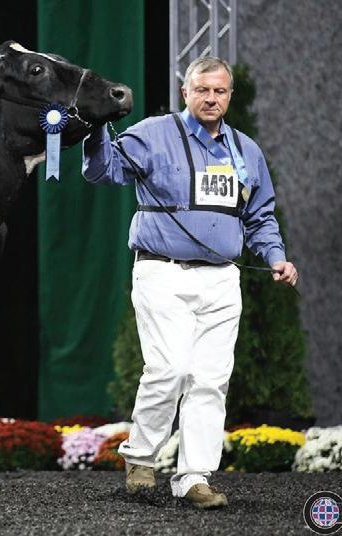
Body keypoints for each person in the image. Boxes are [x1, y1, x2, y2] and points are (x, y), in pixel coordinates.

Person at [81, 57, 297, 509]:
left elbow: (260, 216)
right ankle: (141, 457)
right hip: (163, 271)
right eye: (202, 90)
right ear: (185, 92)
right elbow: (102, 172)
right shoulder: (154, 133)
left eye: (219, 91)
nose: (211, 98)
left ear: (229, 96)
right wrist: (97, 126)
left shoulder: (245, 150)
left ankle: (194, 477)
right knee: (170, 369)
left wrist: (276, 258)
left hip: (222, 279)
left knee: (210, 380)